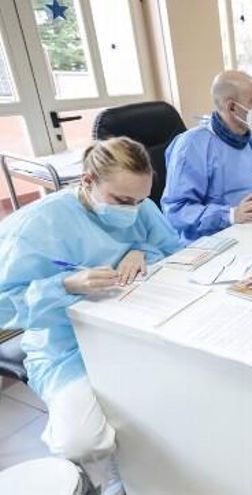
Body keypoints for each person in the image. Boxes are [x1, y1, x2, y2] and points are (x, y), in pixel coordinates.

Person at [0, 137, 182, 494]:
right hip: (66, 343)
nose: (133, 210)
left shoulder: (137, 204)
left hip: (135, 326)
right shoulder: (37, 224)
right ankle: (105, 481)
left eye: (141, 201)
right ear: (87, 181)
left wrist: (142, 250)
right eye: (122, 201)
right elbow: (4, 304)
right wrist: (64, 285)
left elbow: (172, 246)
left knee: (169, 405)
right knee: (82, 442)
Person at [162, 70, 252, 243]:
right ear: (232, 107)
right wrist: (230, 215)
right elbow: (177, 210)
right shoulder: (192, 146)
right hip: (208, 242)